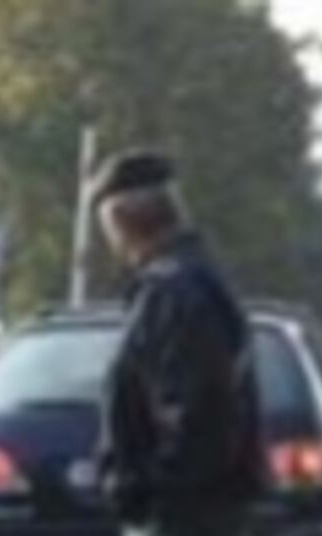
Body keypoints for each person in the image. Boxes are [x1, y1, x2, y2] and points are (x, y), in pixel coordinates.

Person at [94, 151, 263, 536]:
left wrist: (153, 490)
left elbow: (197, 412)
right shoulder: (195, 280)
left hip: (184, 514)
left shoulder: (173, 292)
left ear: (122, 222)